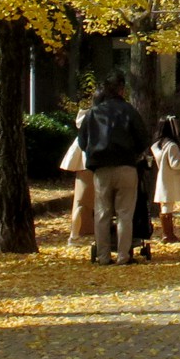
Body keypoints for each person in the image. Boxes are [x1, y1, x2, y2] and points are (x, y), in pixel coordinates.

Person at [77, 74, 152, 265]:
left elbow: (82, 141)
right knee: (125, 213)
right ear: (121, 90)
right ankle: (123, 255)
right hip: (126, 165)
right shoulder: (129, 111)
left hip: (101, 167)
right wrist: (134, 153)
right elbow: (143, 138)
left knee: (102, 213)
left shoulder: (93, 113)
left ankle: (103, 256)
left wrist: (92, 153)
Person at [61, 106, 95, 247]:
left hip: (86, 167)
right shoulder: (90, 132)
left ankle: (76, 234)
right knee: (82, 203)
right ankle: (74, 236)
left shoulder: (85, 131)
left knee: (82, 203)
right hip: (88, 167)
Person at [152, 116, 180, 244]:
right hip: (171, 180)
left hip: (162, 178)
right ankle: (168, 234)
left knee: (165, 206)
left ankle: (167, 233)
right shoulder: (171, 146)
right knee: (167, 206)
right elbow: (175, 164)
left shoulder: (157, 145)